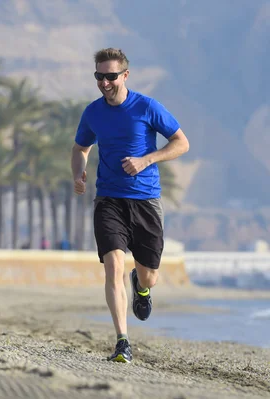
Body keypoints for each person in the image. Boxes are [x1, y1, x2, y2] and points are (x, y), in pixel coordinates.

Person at [71, 48, 190, 363]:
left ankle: (142, 285)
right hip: (108, 198)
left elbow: (181, 142)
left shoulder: (147, 107)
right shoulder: (93, 112)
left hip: (145, 200)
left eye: (111, 76)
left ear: (125, 75)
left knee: (149, 274)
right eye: (100, 76)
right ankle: (122, 341)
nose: (105, 83)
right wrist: (78, 173)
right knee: (113, 266)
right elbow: (80, 147)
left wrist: (147, 160)